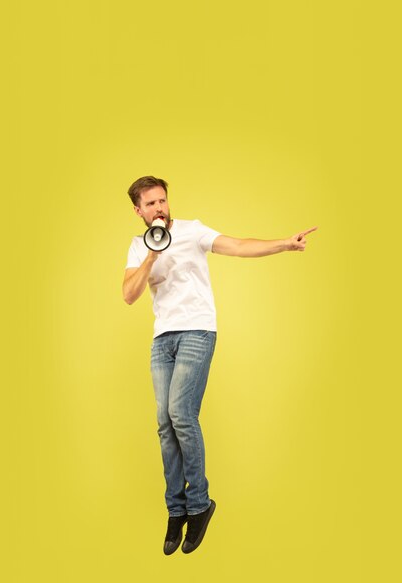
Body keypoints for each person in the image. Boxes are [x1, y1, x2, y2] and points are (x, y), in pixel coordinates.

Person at [122, 175, 317, 556]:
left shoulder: (192, 231)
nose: (160, 208)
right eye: (151, 204)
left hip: (196, 331)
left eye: (162, 200)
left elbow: (238, 246)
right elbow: (129, 294)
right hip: (163, 339)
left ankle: (200, 504)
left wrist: (284, 244)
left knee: (181, 413)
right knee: (164, 423)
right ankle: (175, 509)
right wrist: (152, 253)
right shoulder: (137, 246)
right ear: (138, 210)